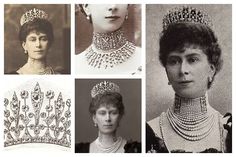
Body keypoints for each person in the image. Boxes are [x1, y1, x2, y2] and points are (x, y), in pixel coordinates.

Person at [146, 6, 232, 153]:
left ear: (211, 69)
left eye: (192, 59)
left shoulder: (228, 130)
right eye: (174, 61)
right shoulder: (150, 132)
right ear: (166, 71)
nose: (182, 70)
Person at [75, 81, 141, 153]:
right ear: (94, 118)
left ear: (119, 116)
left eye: (113, 113)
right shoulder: (79, 151)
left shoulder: (136, 150)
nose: (108, 118)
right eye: (102, 113)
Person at [75, 4, 141, 75]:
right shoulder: (75, 64)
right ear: (86, 7)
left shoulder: (143, 59)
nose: (113, 7)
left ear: (127, 8)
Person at [9, 8, 58, 74]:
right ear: (24, 45)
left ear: (49, 43)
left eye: (43, 39)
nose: (38, 45)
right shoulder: (12, 77)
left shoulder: (59, 75)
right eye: (33, 40)